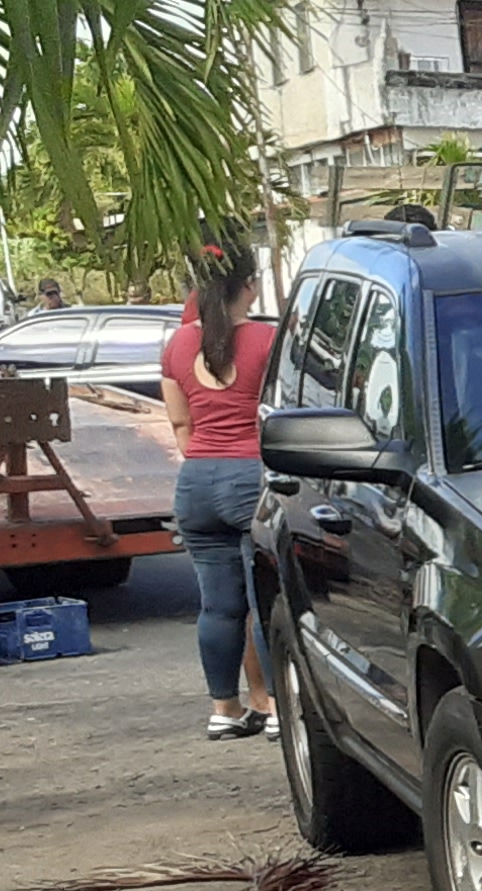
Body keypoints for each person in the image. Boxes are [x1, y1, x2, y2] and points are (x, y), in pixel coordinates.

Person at [159, 234, 278, 740]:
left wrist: (207, 461)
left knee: (218, 606)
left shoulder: (177, 344)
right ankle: (274, 707)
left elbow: (180, 426)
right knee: (268, 600)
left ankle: (223, 710)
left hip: (196, 482)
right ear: (249, 286)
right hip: (251, 477)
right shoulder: (268, 341)